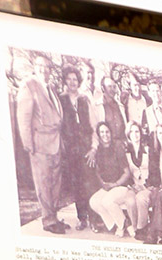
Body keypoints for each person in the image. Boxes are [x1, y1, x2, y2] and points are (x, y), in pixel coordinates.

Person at [16, 52, 66, 234]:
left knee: (55, 183)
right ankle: (48, 221)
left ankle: (53, 217)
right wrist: (29, 145)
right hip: (40, 145)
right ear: (35, 69)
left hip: (55, 143)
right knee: (44, 184)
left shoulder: (50, 88)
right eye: (40, 67)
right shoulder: (29, 86)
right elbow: (24, 117)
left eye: (47, 67)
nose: (44, 70)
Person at [59, 67, 96, 231]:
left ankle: (95, 219)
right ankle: (82, 218)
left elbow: (94, 126)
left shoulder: (84, 100)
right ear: (65, 80)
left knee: (90, 184)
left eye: (75, 79)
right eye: (69, 79)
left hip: (87, 150)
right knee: (77, 185)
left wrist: (94, 149)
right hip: (71, 151)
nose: (72, 82)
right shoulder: (60, 100)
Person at [89, 120, 134, 237]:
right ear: (98, 135)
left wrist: (115, 184)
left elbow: (127, 173)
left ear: (111, 132)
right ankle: (118, 224)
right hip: (108, 187)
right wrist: (103, 183)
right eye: (102, 132)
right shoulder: (98, 151)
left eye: (107, 132)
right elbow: (97, 172)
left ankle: (122, 225)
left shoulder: (118, 147)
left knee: (107, 201)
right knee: (94, 201)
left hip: (122, 186)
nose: (105, 135)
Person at [124, 121, 155, 239]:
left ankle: (143, 228)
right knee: (130, 201)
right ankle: (135, 228)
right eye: (131, 131)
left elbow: (155, 171)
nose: (135, 134)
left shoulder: (148, 150)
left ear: (141, 134)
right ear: (128, 134)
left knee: (140, 198)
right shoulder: (126, 151)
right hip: (133, 186)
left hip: (148, 186)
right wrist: (131, 185)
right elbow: (125, 172)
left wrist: (147, 185)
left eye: (137, 131)